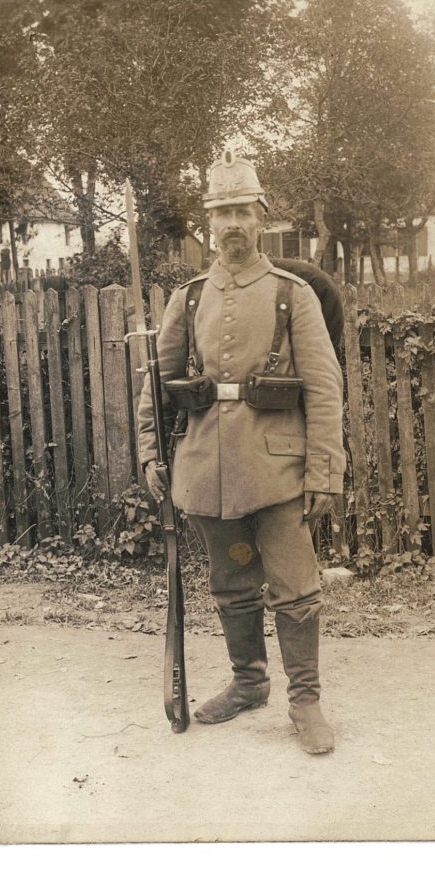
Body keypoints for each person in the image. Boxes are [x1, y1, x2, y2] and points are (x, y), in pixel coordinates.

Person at [137, 149, 345, 754]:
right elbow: (160, 381)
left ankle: (305, 702)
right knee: (231, 581)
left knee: (296, 587)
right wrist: (152, 452)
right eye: (220, 213)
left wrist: (324, 468)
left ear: (261, 219)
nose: (231, 224)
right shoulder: (191, 297)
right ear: (209, 224)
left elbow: (325, 386)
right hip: (207, 465)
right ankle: (248, 682)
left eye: (241, 212)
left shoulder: (292, 293)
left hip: (277, 466)